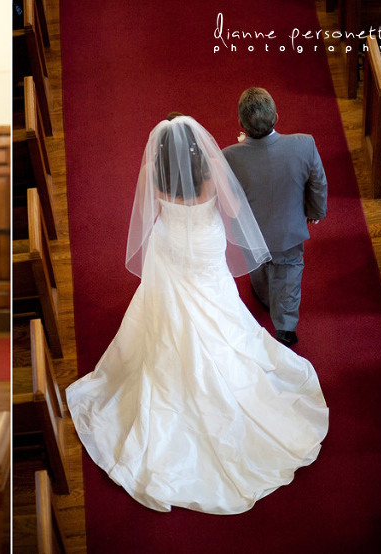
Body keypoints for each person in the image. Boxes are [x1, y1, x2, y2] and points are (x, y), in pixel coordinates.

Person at [65, 116, 329, 515]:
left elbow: (149, 212)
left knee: (169, 307)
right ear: (196, 147)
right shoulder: (209, 170)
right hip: (205, 247)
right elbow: (233, 207)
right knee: (218, 304)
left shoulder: (155, 172)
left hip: (172, 246)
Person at [223, 87, 328, 347]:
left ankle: (264, 296)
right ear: (276, 117)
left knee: (258, 264)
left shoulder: (228, 156)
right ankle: (286, 326)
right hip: (288, 230)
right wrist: (315, 211)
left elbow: (228, 197)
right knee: (290, 269)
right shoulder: (304, 144)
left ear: (241, 123)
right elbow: (318, 182)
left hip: (251, 232)